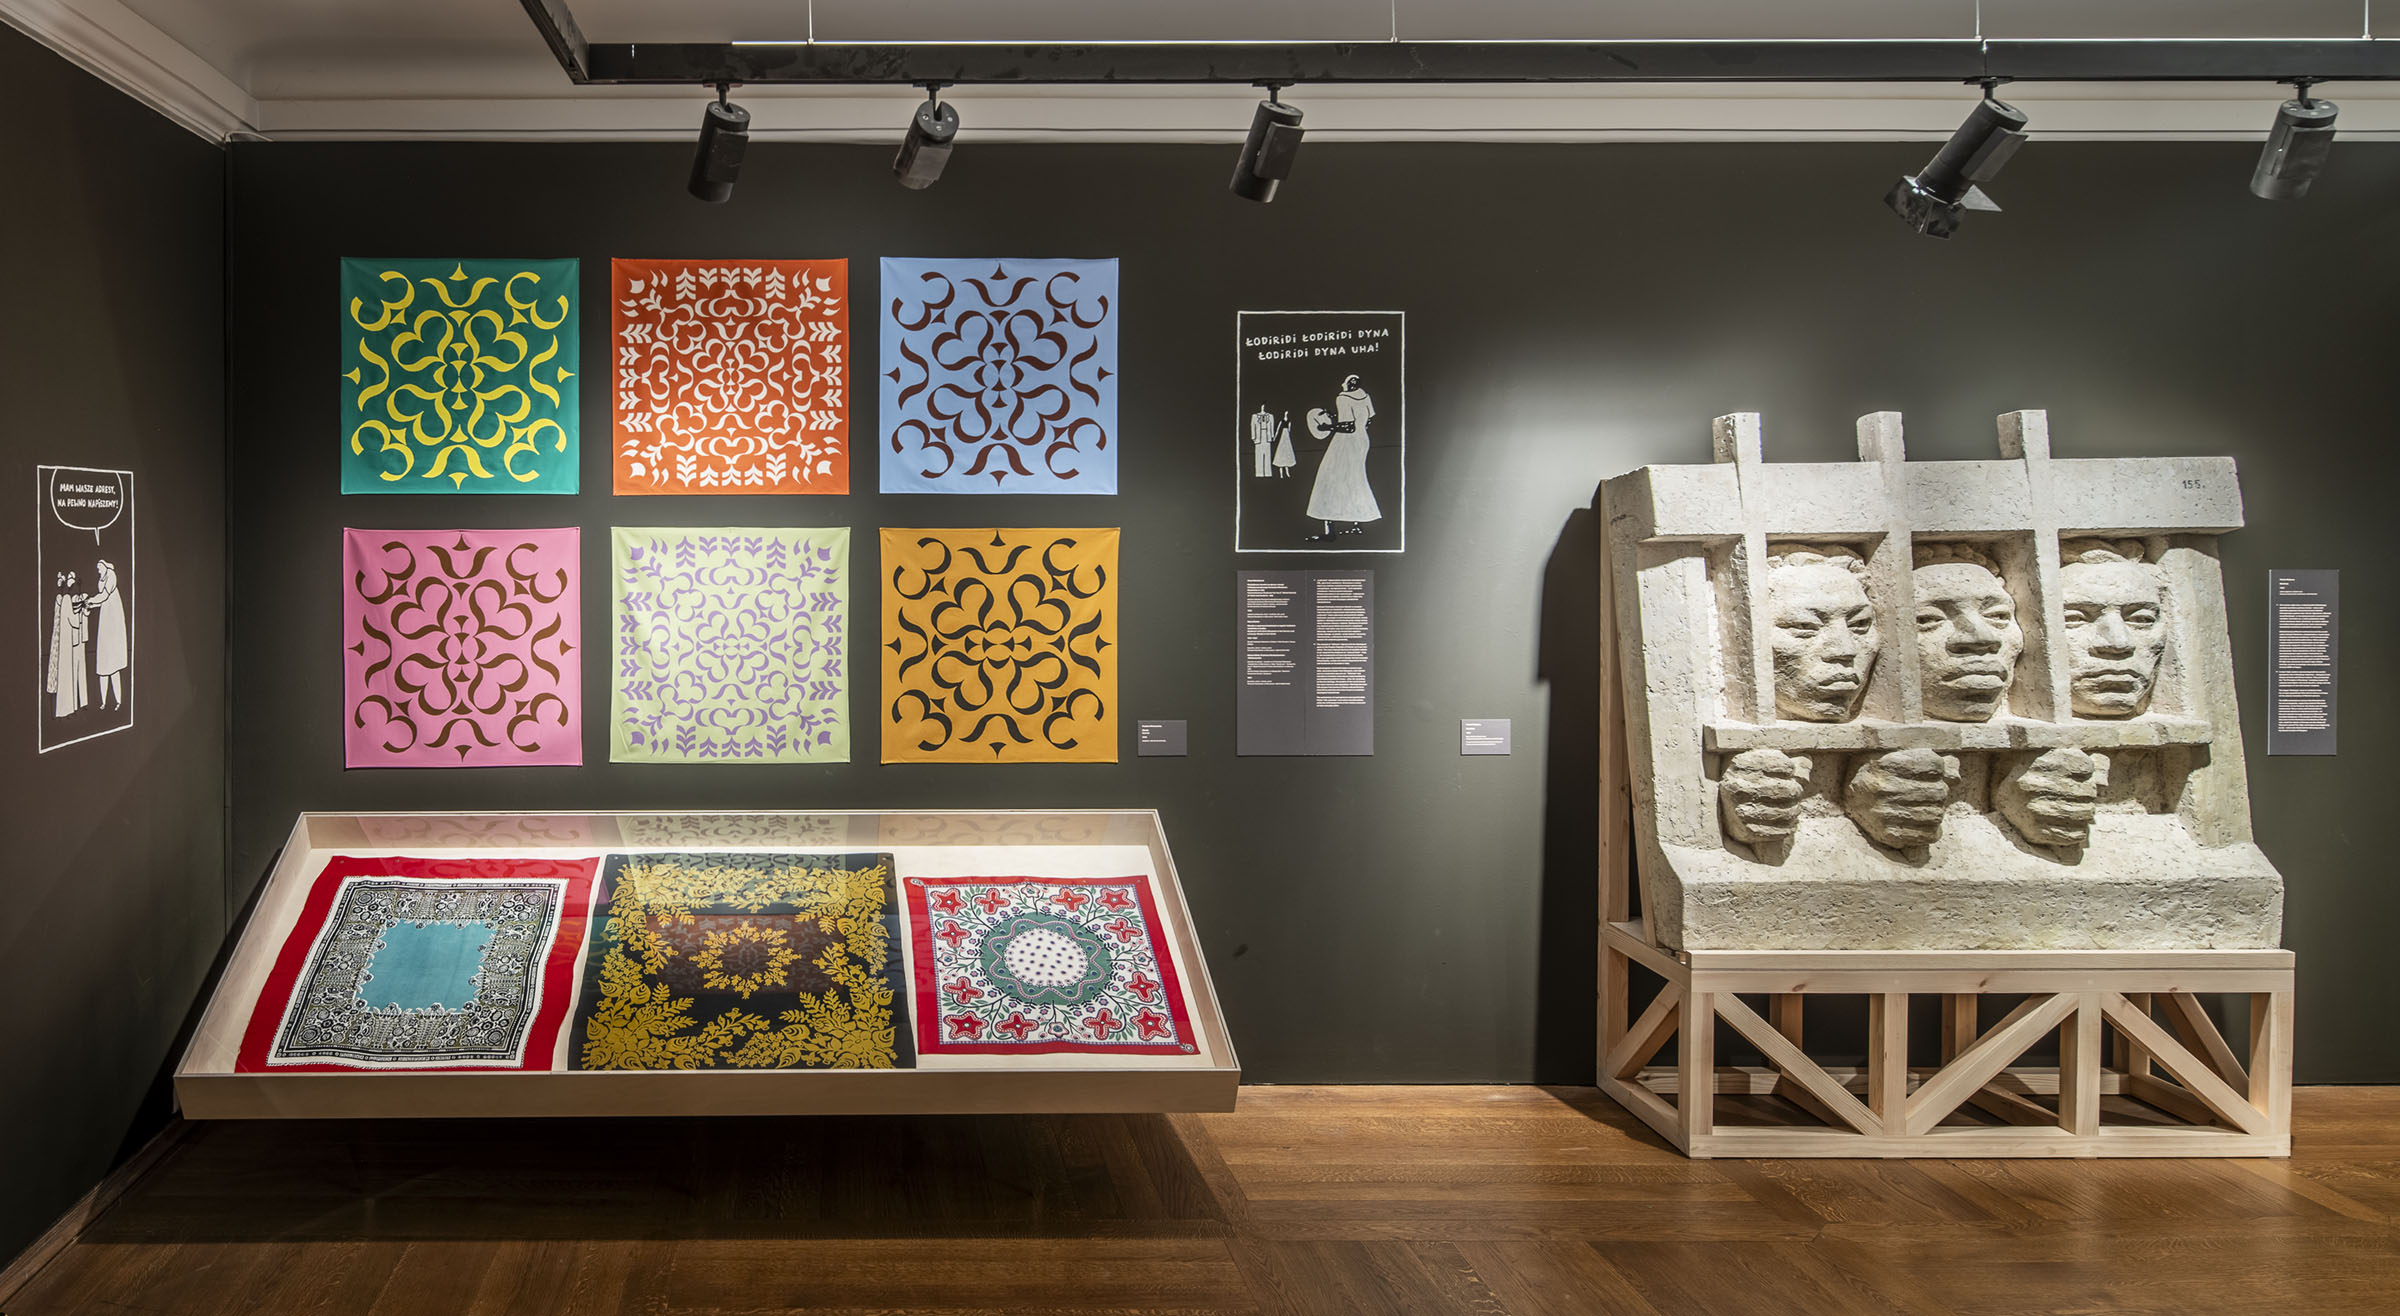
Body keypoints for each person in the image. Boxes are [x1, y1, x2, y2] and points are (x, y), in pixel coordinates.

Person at [1303, 375, 1382, 541]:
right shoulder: (1365, 396)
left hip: (1345, 442)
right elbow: (1367, 421)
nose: (1341, 384)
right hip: (1362, 440)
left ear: (1349, 384)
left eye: (1344, 382)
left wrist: (1327, 426)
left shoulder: (1342, 398)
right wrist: (1334, 418)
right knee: (1355, 479)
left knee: (1328, 479)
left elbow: (1349, 427)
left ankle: (1329, 532)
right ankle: (1358, 524)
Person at [46, 571, 89, 717]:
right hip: (67, 643)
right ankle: (65, 710)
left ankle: (67, 709)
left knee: (66, 677)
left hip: (64, 641)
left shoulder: (61, 599)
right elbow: (74, 621)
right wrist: (80, 610)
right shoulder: (66, 599)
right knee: (66, 677)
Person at [87, 559, 128, 710]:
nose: (98, 570)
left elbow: (104, 595)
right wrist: (90, 604)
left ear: (105, 566)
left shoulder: (111, 575)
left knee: (114, 665)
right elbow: (101, 600)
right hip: (105, 617)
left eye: (99, 567)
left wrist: (91, 600)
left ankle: (118, 700)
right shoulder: (102, 579)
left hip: (113, 618)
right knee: (104, 664)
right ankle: (103, 701)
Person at [1248, 404, 1276, 477]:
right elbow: (1252, 426)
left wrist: (1272, 436)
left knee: (1267, 456)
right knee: (1258, 456)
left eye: (1264, 406)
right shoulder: (1254, 416)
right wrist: (1253, 437)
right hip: (1258, 439)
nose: (1263, 407)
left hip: (1267, 438)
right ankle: (1259, 473)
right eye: (1261, 406)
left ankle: (1268, 473)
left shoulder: (1270, 416)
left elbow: (1272, 426)